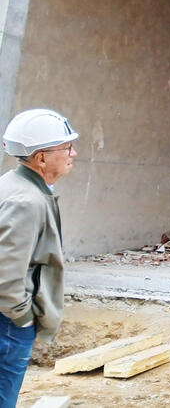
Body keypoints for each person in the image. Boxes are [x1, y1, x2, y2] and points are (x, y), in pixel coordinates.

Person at [0, 109, 78, 408]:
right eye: (66, 147)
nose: (73, 153)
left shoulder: (14, 185)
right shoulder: (25, 201)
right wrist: (22, 318)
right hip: (8, 322)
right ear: (41, 158)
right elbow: (6, 276)